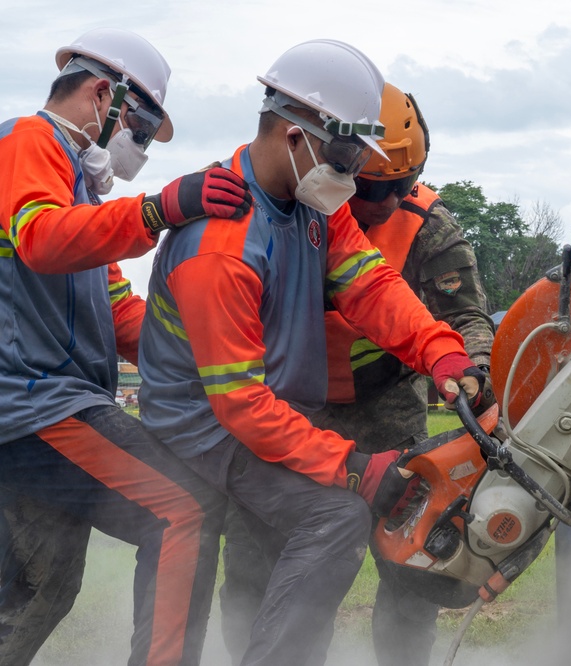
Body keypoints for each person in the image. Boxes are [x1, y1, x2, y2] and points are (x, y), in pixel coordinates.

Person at [136, 39, 485, 666]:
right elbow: (240, 403)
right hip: (207, 432)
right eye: (348, 155)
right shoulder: (225, 245)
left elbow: (371, 284)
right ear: (298, 137)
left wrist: (441, 351)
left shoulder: (309, 204)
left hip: (264, 415)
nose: (353, 178)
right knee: (330, 521)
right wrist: (354, 464)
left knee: (333, 521)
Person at [218, 82, 495, 666]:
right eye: (375, 188)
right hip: (285, 404)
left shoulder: (429, 224)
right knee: (256, 556)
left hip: (387, 407)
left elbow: (467, 315)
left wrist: (472, 369)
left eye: (403, 184)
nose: (390, 203)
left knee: (413, 562)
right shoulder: (283, 205)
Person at [0, 27, 252, 665]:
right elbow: (41, 238)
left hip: (37, 410)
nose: (139, 147)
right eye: (140, 130)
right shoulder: (27, 140)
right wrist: (158, 210)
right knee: (185, 509)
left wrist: (213, 361)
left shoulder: (79, 193)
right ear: (101, 95)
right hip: (34, 404)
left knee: (32, 593)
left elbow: (116, 311)